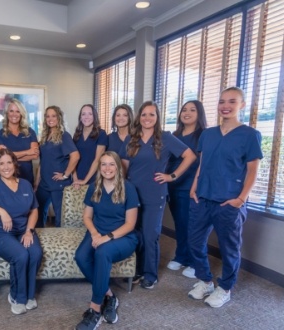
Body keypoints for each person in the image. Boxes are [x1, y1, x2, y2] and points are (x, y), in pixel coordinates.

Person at [187, 87, 262, 308]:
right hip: (202, 197)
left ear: (242, 105)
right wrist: (193, 187)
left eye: (231, 101)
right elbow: (202, 164)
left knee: (230, 248)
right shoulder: (208, 134)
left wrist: (240, 199)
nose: (225, 106)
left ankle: (225, 288)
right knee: (194, 242)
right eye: (221, 101)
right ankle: (205, 281)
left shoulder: (250, 135)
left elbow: (252, 171)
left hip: (229, 201)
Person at [120, 101, 196, 289]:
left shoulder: (166, 138)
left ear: (157, 117)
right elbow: (123, 168)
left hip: (155, 194)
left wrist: (172, 176)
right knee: (133, 233)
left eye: (151, 114)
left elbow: (190, 156)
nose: (147, 118)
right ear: (139, 117)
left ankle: (150, 274)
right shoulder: (131, 139)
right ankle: (135, 270)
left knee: (150, 234)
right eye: (144, 114)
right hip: (133, 194)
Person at [0, 149, 43, 315]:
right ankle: (17, 296)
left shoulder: (25, 184)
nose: (5, 167)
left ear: (14, 164)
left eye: (9, 162)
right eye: (1, 163)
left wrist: (29, 231)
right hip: (4, 234)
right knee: (20, 255)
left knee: (35, 252)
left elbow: (34, 210)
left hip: (24, 230)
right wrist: (2, 212)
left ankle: (29, 295)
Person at [74, 151, 139, 330]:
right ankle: (110, 296)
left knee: (102, 252)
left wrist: (106, 238)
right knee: (80, 256)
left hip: (123, 236)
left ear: (117, 167)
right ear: (99, 167)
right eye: (103, 164)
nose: (107, 168)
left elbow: (130, 224)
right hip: (98, 231)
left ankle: (95, 309)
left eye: (111, 164)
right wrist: (95, 234)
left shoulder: (128, 187)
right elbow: (87, 216)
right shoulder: (94, 187)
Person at [166, 100, 207, 279]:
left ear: (199, 114)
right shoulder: (174, 135)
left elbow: (203, 163)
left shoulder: (203, 135)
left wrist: (196, 185)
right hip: (174, 186)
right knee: (180, 224)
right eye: (184, 110)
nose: (187, 113)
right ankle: (181, 256)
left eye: (192, 110)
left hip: (191, 186)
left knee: (193, 226)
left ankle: (194, 262)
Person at [34, 105, 80, 227]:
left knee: (60, 219)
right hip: (44, 184)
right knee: (37, 215)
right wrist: (36, 183)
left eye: (53, 116)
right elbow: (42, 162)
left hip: (58, 185)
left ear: (59, 118)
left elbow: (75, 156)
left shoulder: (64, 136)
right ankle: (39, 242)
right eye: (48, 116)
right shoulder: (44, 137)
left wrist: (65, 175)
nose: (50, 119)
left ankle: (61, 244)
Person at [0, 99, 39, 184]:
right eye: (11, 111)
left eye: (17, 111)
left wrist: (9, 156)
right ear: (7, 113)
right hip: (6, 179)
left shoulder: (30, 132)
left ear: (21, 114)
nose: (14, 114)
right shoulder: (0, 134)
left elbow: (35, 155)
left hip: (27, 178)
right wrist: (27, 152)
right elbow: (1, 157)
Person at [72, 104, 108, 188]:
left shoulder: (101, 134)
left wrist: (85, 180)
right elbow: (73, 158)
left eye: (90, 114)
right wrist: (75, 179)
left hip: (93, 179)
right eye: (83, 114)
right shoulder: (77, 135)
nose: (86, 117)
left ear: (94, 116)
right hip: (76, 178)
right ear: (80, 117)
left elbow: (97, 160)